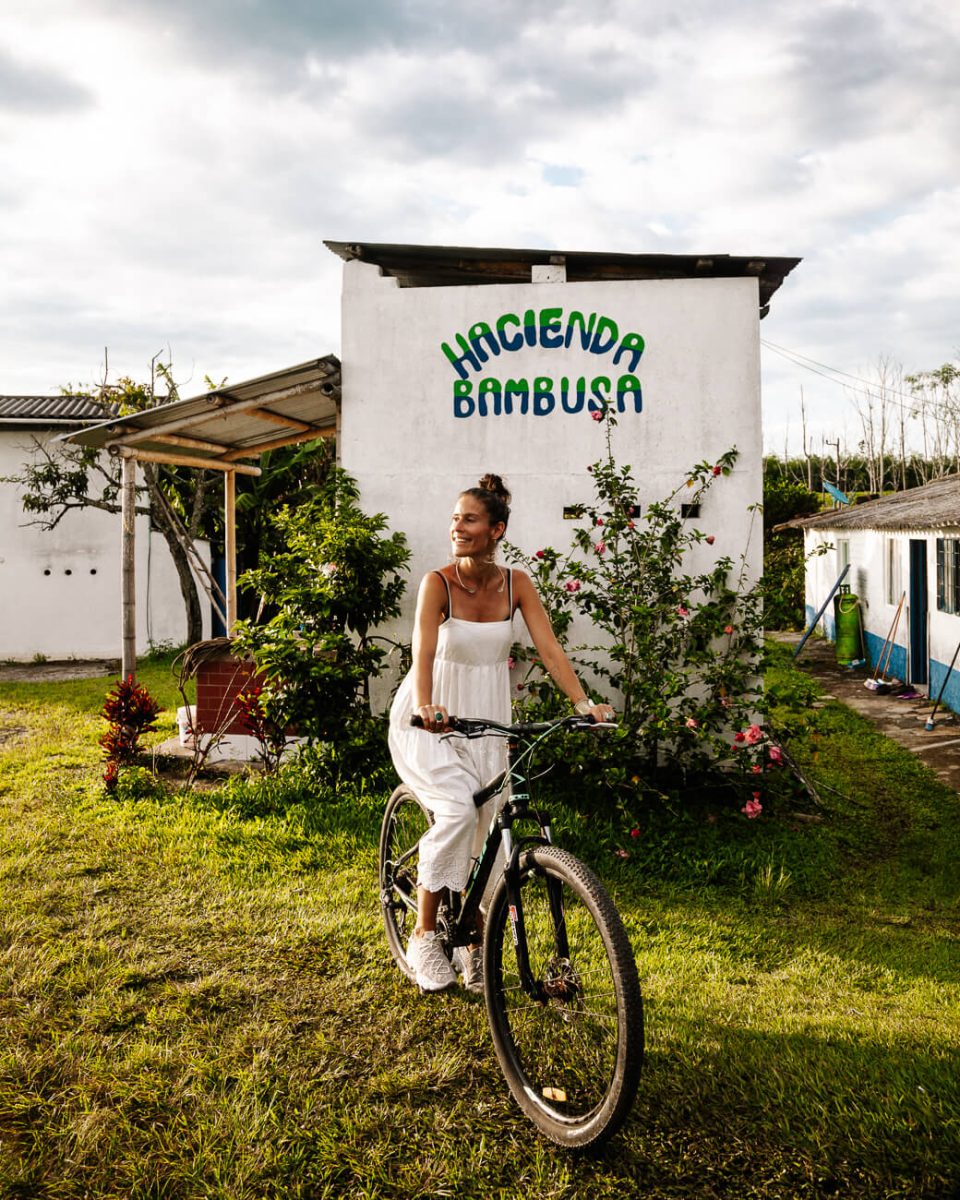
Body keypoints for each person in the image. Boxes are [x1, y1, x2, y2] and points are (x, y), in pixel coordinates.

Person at [388, 473, 615, 993]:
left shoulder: (517, 585)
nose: (457, 527)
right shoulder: (437, 583)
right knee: (458, 810)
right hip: (433, 716)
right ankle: (425, 932)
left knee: (492, 821)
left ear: (497, 530)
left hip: (489, 718)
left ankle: (468, 939)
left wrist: (583, 704)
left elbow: (550, 650)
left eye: (469, 519)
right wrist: (427, 704)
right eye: (454, 518)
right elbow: (422, 651)